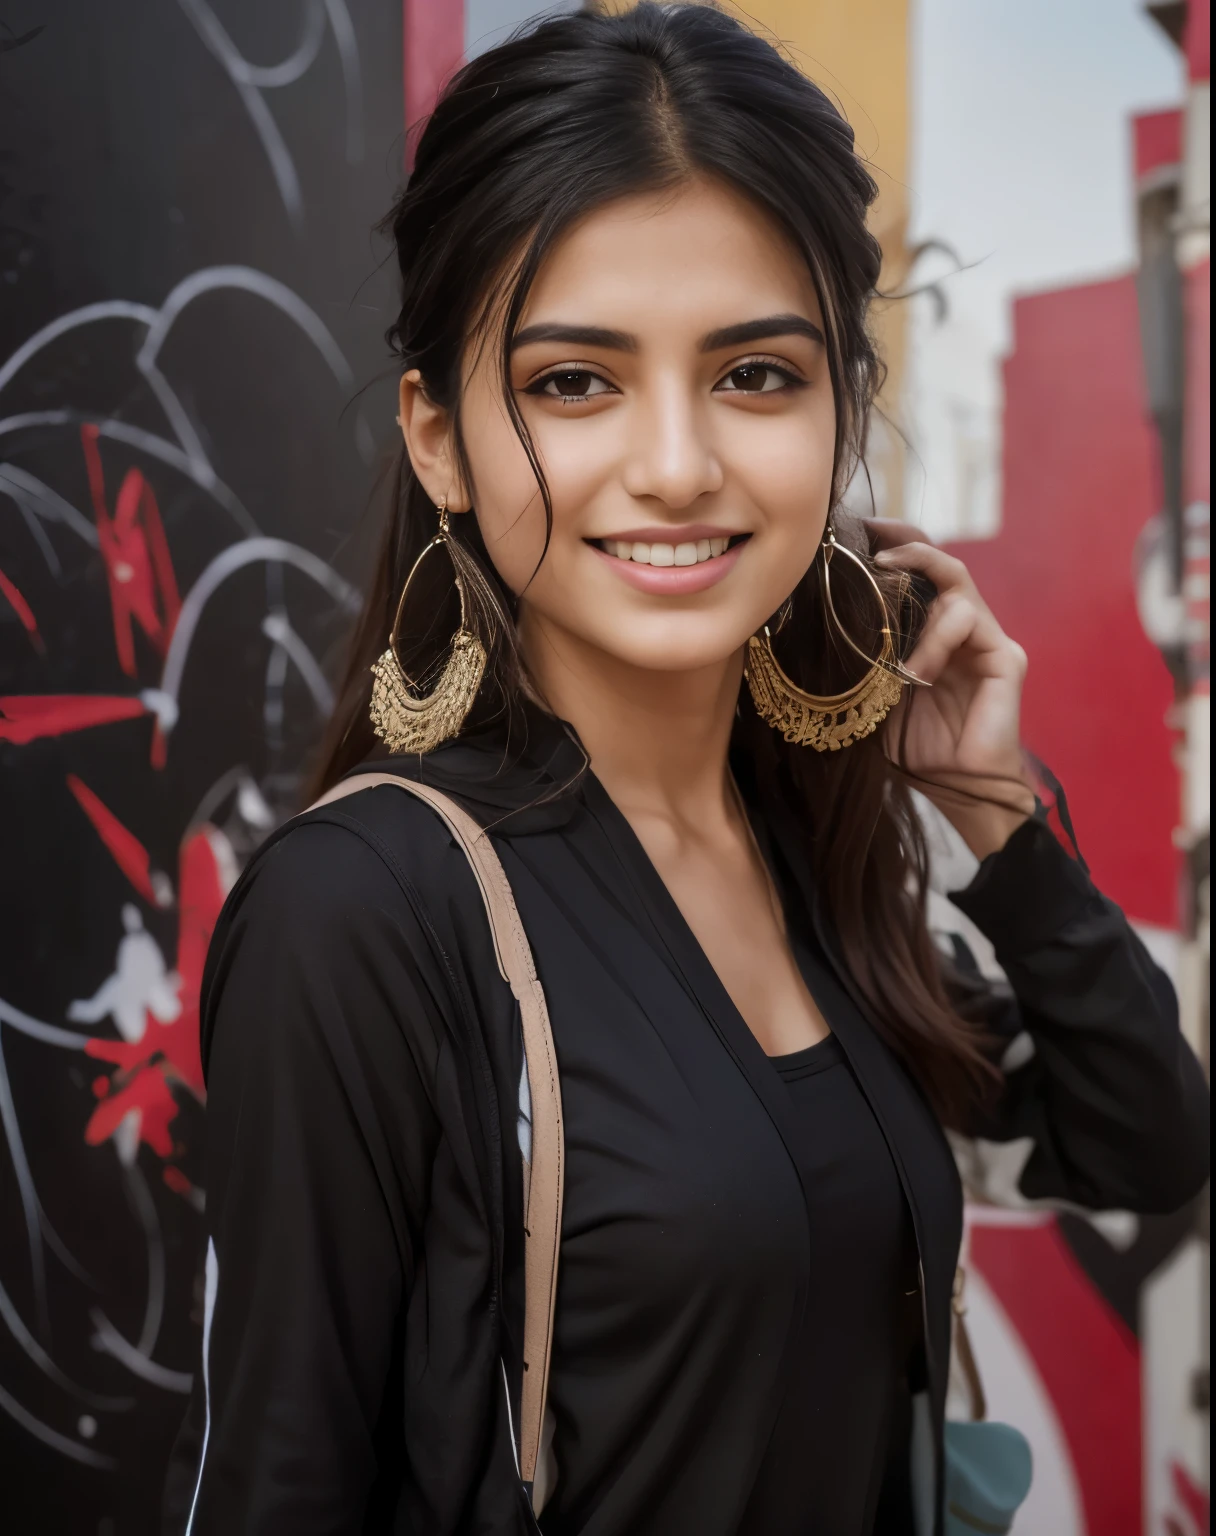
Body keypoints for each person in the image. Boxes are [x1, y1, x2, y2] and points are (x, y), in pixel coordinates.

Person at [168, 7, 1209, 1534]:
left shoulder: (800, 840)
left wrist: (996, 817)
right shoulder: (365, 913)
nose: (677, 462)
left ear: (844, 405)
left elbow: (1147, 1139)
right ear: (440, 437)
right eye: (576, 382)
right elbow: (280, 1486)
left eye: (758, 376)